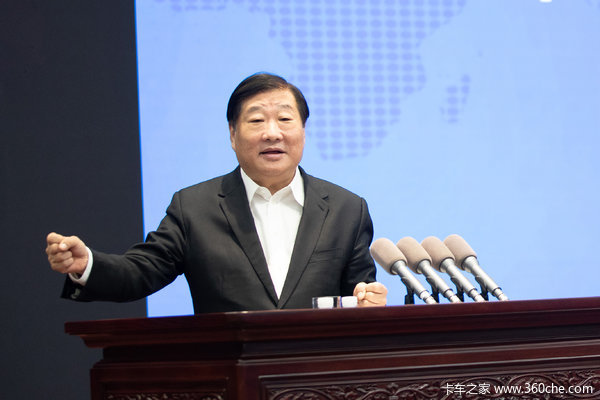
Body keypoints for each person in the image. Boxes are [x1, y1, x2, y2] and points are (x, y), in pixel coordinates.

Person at [46, 72, 387, 313]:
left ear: (303, 131)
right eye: (256, 121)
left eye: (285, 120)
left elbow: (359, 294)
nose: (272, 133)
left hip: (313, 377)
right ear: (232, 135)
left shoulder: (346, 209)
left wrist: (370, 303)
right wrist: (88, 265)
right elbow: (141, 272)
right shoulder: (194, 208)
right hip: (229, 373)